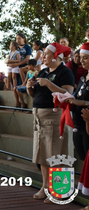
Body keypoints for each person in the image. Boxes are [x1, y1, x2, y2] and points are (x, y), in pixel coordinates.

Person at [26, 42, 74, 203]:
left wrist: (49, 84)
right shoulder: (44, 71)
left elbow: (68, 94)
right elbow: (36, 96)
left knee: (58, 154)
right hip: (39, 117)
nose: (42, 56)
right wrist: (29, 87)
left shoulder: (65, 72)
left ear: (55, 56)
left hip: (55, 118)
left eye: (46, 53)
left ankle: (61, 190)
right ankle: (46, 187)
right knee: (42, 155)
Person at [65, 43, 89, 161]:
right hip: (78, 125)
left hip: (87, 126)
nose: (81, 60)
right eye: (80, 57)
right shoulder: (83, 77)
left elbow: (83, 101)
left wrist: (84, 103)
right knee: (83, 159)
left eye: (85, 58)